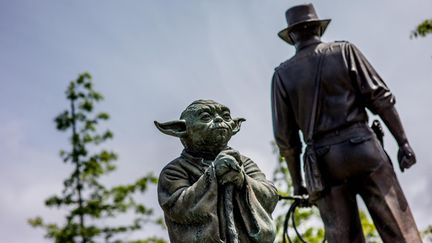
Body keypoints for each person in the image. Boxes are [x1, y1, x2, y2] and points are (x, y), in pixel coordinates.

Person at [271, 4, 422, 242]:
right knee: (400, 230)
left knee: (343, 238)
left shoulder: (282, 75)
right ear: (317, 29)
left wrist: (298, 184)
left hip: (324, 164)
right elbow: (381, 98)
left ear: (292, 36)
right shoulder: (344, 51)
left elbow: (286, 141)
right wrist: (403, 142)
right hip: (363, 149)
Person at [155, 100, 278, 243]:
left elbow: (270, 194)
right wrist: (212, 175)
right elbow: (178, 207)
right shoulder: (174, 170)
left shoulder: (244, 163)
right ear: (182, 129)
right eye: (206, 117)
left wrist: (243, 181)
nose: (219, 120)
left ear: (234, 126)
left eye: (226, 116)